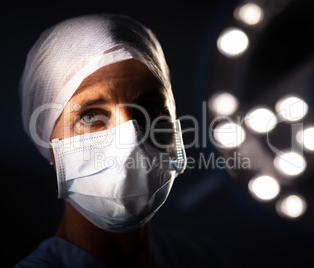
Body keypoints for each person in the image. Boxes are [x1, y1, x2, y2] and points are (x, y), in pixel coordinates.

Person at [15, 14, 188, 267]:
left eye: (149, 106)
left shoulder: (196, 256)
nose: (132, 140)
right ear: (48, 142)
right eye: (91, 115)